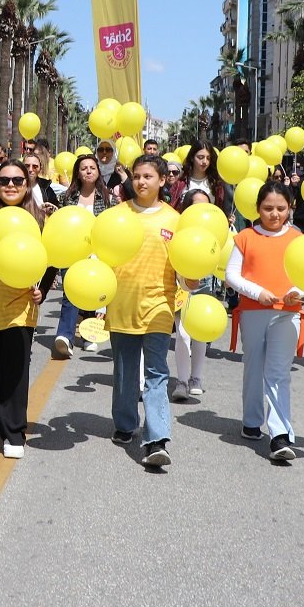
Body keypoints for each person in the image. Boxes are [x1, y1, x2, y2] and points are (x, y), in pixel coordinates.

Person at [0, 160, 53, 459]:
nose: (11, 186)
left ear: (27, 184)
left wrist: (43, 287)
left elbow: (52, 256)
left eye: (18, 180)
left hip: (21, 303)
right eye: (4, 180)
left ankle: (14, 431)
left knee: (15, 368)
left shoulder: (40, 217)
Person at [105, 155, 181, 467]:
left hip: (160, 307)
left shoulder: (175, 220)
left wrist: (190, 280)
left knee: (156, 373)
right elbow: (102, 258)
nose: (141, 182)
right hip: (122, 303)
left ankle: (156, 439)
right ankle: (125, 423)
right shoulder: (117, 215)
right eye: (137, 176)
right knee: (124, 373)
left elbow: (185, 262)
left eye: (148, 176)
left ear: (162, 180)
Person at [225, 180, 304, 462]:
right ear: (258, 208)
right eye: (268, 208)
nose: (274, 214)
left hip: (288, 313)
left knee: (279, 372)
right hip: (253, 311)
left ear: (290, 208)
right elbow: (232, 275)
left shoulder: (298, 239)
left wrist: (299, 293)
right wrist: (258, 293)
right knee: (253, 366)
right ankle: (251, 420)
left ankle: (280, 435)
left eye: (281, 208)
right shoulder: (245, 236)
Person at [52, 154, 110, 358]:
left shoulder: (108, 198)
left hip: (96, 253)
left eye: (92, 168)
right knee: (71, 293)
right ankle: (64, 336)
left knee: (93, 293)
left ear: (98, 172)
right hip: (72, 252)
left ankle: (90, 336)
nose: (88, 171)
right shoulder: (68, 197)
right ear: (77, 171)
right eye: (84, 168)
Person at [171, 187, 225, 398]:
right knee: (183, 334)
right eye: (196, 206)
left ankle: (196, 378)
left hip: (204, 284)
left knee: (199, 333)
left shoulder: (218, 228)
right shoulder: (177, 227)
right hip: (180, 284)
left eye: (206, 205)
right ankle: (182, 382)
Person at [166, 140, 228, 213]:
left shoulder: (216, 184)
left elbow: (221, 210)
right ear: (192, 158)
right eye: (200, 157)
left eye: (208, 158)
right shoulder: (180, 183)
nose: (205, 161)